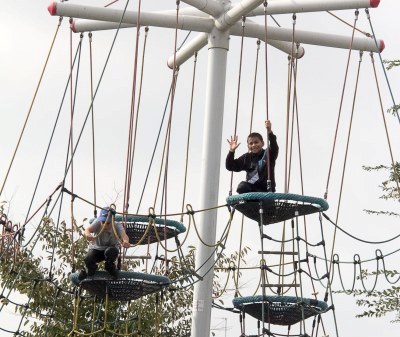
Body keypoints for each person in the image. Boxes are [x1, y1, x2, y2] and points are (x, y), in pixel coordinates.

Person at [226, 120, 279, 194]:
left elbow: (274, 147)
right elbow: (230, 166)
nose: (253, 145)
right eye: (251, 143)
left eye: (256, 142)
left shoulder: (268, 154)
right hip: (253, 192)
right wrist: (231, 151)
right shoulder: (246, 157)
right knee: (242, 187)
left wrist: (270, 132)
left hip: (266, 193)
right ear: (248, 146)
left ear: (262, 143)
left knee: (243, 187)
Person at [78, 206, 130, 280]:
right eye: (103, 222)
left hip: (110, 251)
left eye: (108, 223)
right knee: (88, 258)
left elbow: (124, 235)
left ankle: (110, 267)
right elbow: (88, 230)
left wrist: (126, 241)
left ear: (113, 220)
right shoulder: (97, 222)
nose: (105, 224)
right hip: (97, 250)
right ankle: (91, 269)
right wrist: (88, 235)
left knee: (111, 252)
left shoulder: (117, 225)